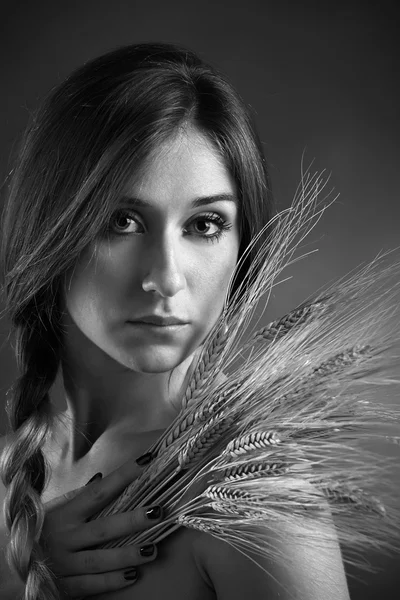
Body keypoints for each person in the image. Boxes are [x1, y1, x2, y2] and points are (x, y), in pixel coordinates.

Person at [0, 42, 351, 599]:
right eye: (122, 220)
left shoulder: (243, 487)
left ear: (244, 247)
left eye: (205, 224)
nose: (166, 277)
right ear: (51, 228)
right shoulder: (11, 477)